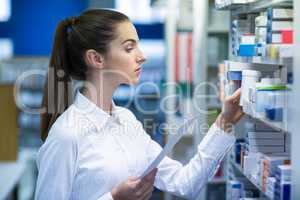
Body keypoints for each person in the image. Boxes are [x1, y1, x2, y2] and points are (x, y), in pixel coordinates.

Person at [35, 9, 243, 200]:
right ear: (96, 58)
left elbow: (185, 183)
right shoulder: (66, 135)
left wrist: (225, 122)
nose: (142, 56)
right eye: (129, 48)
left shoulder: (127, 121)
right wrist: (114, 198)